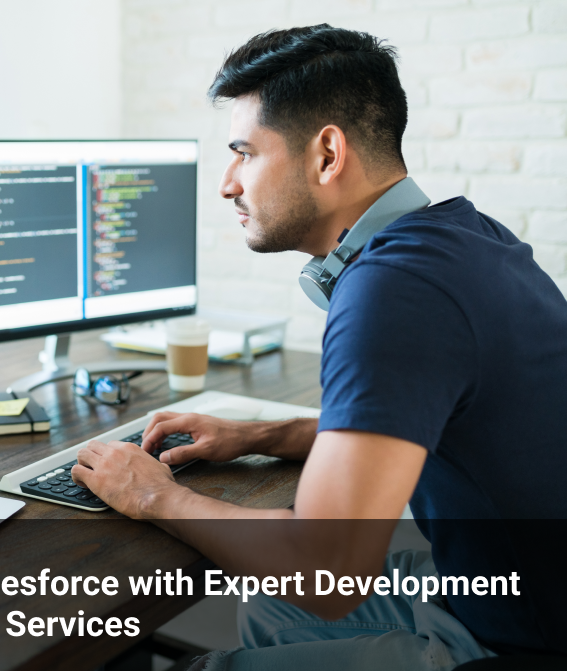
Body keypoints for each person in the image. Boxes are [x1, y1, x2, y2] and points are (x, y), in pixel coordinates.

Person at [71, 24, 567, 669]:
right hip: (513, 590)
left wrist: (153, 495)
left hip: (524, 641)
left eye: (244, 153)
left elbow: (329, 568)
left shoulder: (392, 290)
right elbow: (424, 420)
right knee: (267, 605)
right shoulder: (466, 236)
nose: (228, 184)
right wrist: (260, 435)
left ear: (327, 154)